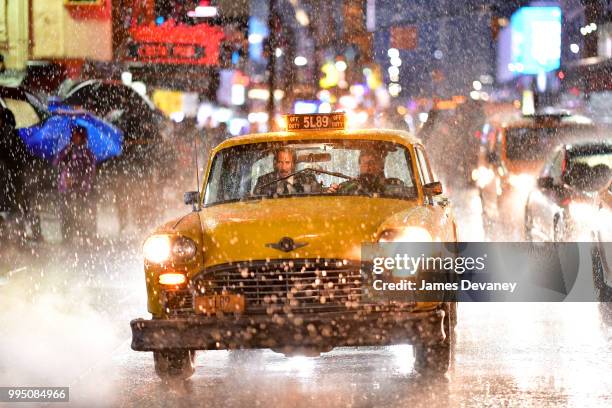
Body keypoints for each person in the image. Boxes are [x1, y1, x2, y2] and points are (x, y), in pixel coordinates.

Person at [53, 125, 97, 242]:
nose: (73, 137)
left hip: (81, 189)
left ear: (82, 137)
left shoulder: (87, 153)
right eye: (73, 134)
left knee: (82, 213)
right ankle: (67, 237)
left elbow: (90, 171)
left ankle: (84, 235)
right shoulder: (67, 150)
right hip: (66, 187)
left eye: (76, 135)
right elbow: (56, 162)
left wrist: (83, 185)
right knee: (67, 214)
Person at [328, 148, 405, 195]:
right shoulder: (346, 187)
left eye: (372, 163)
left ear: (381, 166)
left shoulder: (394, 187)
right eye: (364, 163)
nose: (368, 168)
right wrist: (332, 194)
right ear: (359, 164)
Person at [253, 147, 321, 195]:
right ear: (275, 163)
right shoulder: (264, 182)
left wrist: (331, 192)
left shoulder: (308, 180)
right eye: (280, 162)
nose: (283, 168)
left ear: (293, 164)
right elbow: (254, 204)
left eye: (287, 162)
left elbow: (319, 202)